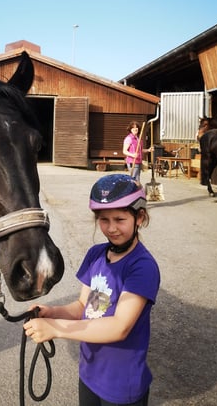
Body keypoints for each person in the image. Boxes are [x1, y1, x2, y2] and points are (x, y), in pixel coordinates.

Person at [23, 174, 161, 406]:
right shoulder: (96, 254)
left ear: (139, 217)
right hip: (89, 374)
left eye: (120, 219)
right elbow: (82, 307)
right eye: (104, 220)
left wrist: (55, 328)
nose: (111, 228)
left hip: (121, 385)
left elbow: (119, 327)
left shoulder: (142, 267)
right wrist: (52, 312)